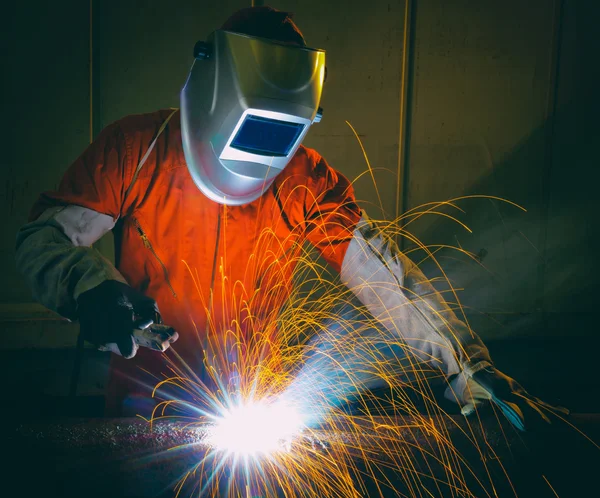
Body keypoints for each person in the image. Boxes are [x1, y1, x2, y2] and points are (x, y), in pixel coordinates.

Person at [15, 6, 559, 428]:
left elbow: (387, 279)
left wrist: (465, 365)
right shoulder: (137, 150)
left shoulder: (303, 179)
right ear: (215, 95)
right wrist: (91, 288)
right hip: (141, 413)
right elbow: (42, 241)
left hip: (250, 415)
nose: (259, 153)